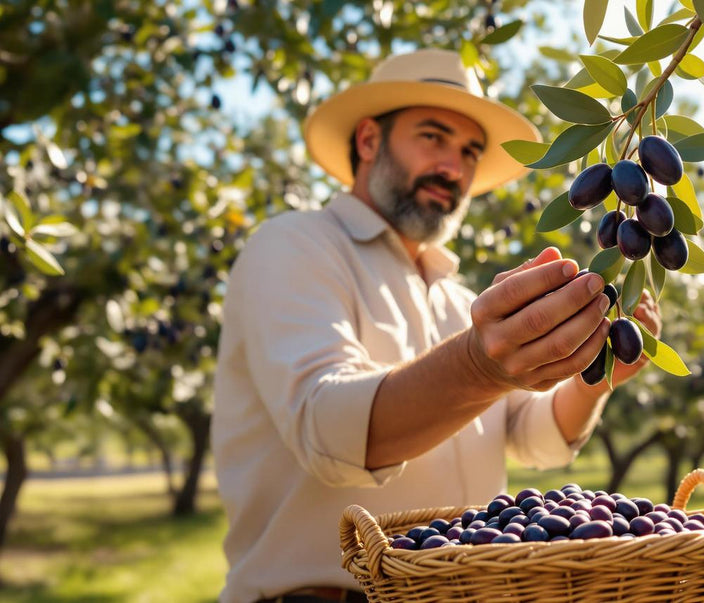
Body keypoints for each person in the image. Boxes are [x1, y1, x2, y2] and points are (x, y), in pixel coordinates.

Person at [211, 49, 661, 603]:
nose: (454, 167)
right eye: (432, 137)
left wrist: (596, 371)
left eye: (470, 151)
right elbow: (329, 431)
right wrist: (479, 365)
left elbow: (532, 437)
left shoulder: (458, 297)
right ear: (369, 141)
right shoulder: (293, 247)